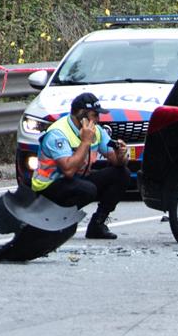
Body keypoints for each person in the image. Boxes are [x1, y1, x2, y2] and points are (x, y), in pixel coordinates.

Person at [33, 90, 127, 240]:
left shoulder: (96, 131)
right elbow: (68, 170)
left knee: (121, 173)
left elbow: (115, 160)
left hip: (77, 180)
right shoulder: (58, 133)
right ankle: (57, 223)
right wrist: (85, 142)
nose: (98, 119)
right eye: (94, 115)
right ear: (82, 115)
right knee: (87, 189)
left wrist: (121, 155)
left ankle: (97, 225)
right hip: (49, 187)